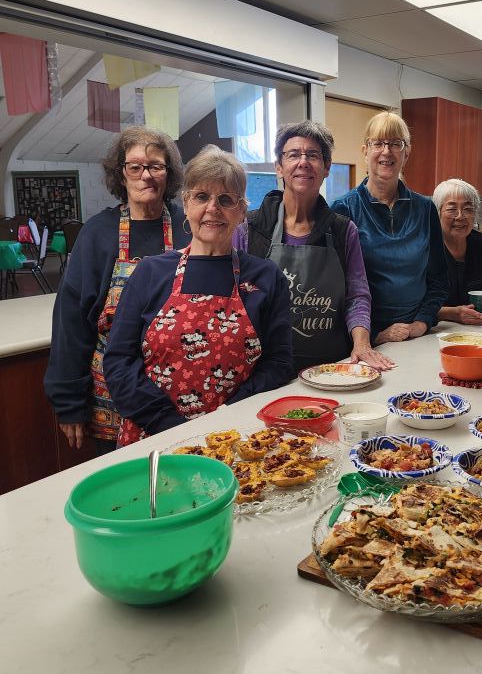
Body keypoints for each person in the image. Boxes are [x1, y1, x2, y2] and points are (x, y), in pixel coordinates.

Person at [104, 146, 293, 445]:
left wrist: (229, 414)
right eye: (202, 197)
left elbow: (279, 362)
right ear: (187, 203)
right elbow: (119, 363)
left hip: (236, 437)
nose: (213, 208)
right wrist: (170, 425)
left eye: (226, 199)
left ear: (242, 211)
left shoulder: (266, 277)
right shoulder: (151, 273)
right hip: (154, 437)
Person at [44, 126, 190, 454]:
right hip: (112, 398)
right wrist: (68, 401)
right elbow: (71, 322)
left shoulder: (188, 227)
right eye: (135, 166)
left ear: (169, 175)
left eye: (156, 166)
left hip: (180, 389)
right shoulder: (98, 232)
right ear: (120, 174)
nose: (145, 176)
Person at [247, 120, 394, 373]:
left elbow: (357, 295)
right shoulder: (249, 228)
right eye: (293, 155)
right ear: (279, 168)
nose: (303, 162)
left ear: (326, 168)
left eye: (313, 155)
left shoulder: (342, 230)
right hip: (266, 370)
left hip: (331, 367)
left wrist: (362, 344)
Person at [331, 111, 448, 344]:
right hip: (364, 340)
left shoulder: (425, 209)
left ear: (407, 152)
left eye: (396, 143)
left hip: (417, 335)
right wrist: (375, 336)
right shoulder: (343, 210)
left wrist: (421, 323)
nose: (387, 151)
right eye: (378, 143)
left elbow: (439, 279)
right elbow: (336, 289)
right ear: (365, 151)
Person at [432, 178, 482, 325]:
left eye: (468, 209)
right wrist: (454, 314)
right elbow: (413, 305)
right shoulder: (426, 247)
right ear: (438, 212)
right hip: (438, 329)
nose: (460, 216)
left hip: (481, 329)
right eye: (452, 209)